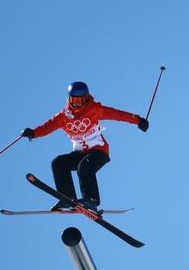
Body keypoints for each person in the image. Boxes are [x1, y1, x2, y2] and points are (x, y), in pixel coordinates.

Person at [21, 81, 149, 213]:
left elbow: (118, 115)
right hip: (80, 153)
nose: (76, 103)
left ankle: (91, 200)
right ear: (68, 99)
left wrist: (138, 120)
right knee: (59, 162)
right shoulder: (63, 117)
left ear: (86, 98)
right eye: (73, 100)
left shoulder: (95, 110)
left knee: (84, 166)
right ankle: (67, 198)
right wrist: (33, 133)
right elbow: (47, 127)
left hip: (99, 152)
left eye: (80, 100)